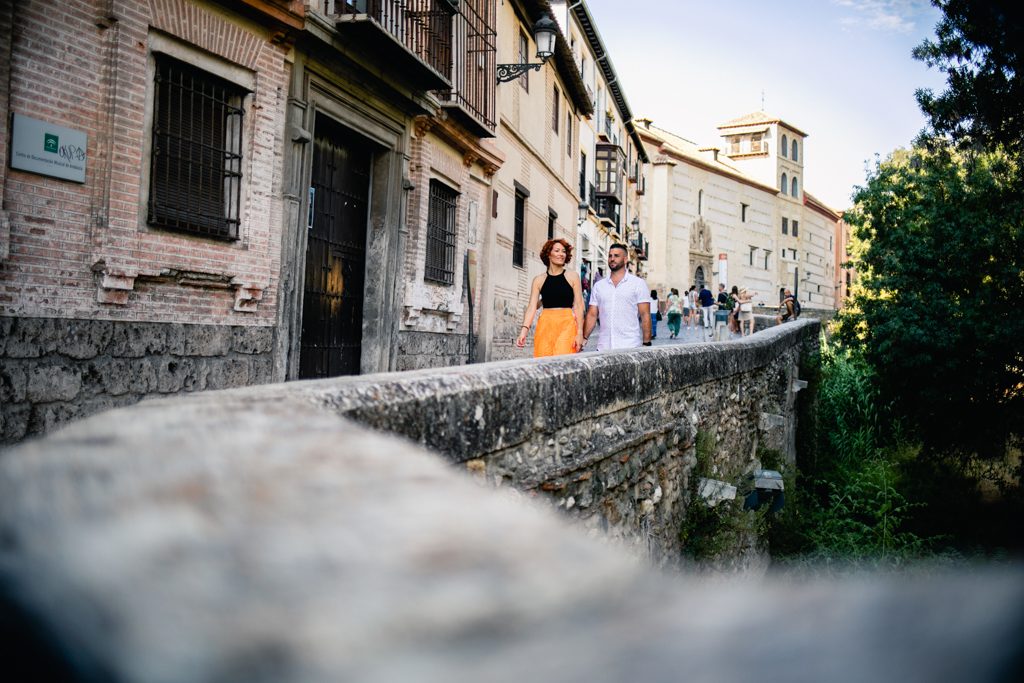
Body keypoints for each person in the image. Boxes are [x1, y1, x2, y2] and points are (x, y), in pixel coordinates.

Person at [516, 238, 584, 357]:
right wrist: (524, 331)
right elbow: (532, 307)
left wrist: (579, 333)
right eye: (557, 251)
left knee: (563, 361)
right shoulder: (538, 280)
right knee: (543, 362)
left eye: (563, 251)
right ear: (548, 254)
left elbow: (578, 306)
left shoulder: (573, 276)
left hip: (567, 324)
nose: (561, 254)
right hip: (545, 324)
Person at [583, 243, 651, 350]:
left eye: (616, 256)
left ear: (625, 259)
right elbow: (592, 315)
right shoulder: (599, 286)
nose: (612, 259)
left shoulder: (638, 284)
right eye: (610, 256)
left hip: (630, 346)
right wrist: (584, 337)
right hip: (603, 347)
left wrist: (646, 343)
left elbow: (645, 314)